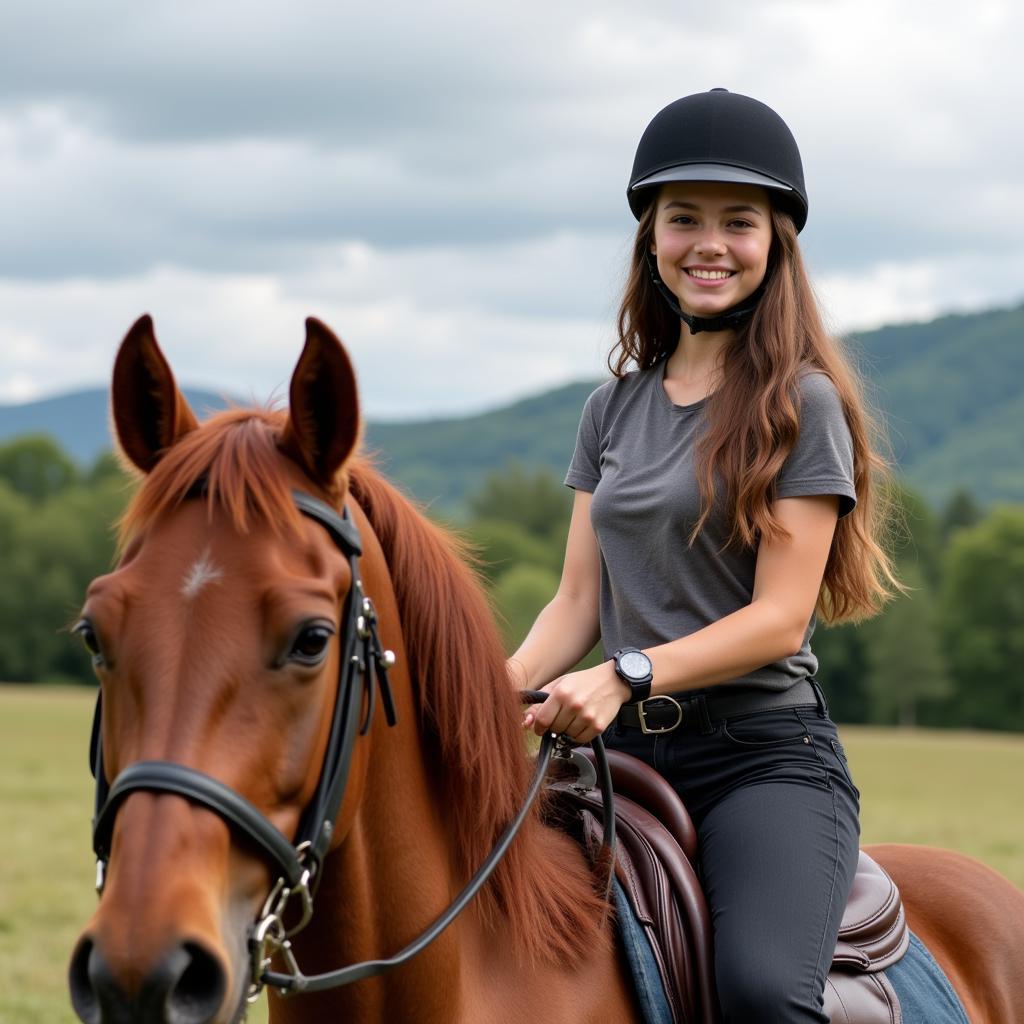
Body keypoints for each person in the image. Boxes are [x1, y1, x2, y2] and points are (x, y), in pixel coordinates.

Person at [507, 88, 901, 1023]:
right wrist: (491, 690)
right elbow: (574, 605)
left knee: (762, 997)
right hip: (608, 754)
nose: (708, 244)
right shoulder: (611, 410)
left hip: (759, 759)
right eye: (684, 219)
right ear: (652, 239)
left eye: (739, 222)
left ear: (776, 245)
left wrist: (625, 673)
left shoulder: (801, 405)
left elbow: (779, 618)